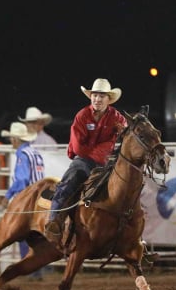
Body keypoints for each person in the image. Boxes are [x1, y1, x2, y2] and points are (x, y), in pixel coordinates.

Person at [44, 78, 126, 241]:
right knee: (68, 182)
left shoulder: (117, 118)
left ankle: (131, 233)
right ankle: (53, 220)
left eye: (101, 96)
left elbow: (122, 137)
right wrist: (103, 149)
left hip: (106, 163)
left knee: (126, 186)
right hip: (85, 160)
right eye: (95, 95)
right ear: (90, 97)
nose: (97, 99)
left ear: (108, 99)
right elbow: (78, 147)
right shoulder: (82, 116)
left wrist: (107, 146)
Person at [0, 122, 46, 279]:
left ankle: (29, 269)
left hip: (29, 199)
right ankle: (37, 270)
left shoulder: (22, 154)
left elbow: (22, 180)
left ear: (15, 139)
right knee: (36, 235)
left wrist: (8, 196)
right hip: (41, 199)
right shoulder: (35, 153)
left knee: (21, 233)